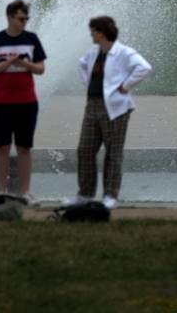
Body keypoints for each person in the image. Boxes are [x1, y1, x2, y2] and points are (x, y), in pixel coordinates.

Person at [65, 16, 151, 210]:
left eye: (93, 31)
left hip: (116, 108)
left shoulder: (124, 52)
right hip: (93, 105)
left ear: (101, 33)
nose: (91, 35)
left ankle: (110, 195)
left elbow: (144, 67)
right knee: (85, 150)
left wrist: (126, 85)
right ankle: (85, 194)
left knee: (113, 152)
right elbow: (82, 65)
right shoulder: (94, 52)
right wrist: (89, 85)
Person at [0, 0, 46, 198]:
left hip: (27, 100)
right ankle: (1, 191)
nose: (24, 22)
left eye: (26, 18)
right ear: (9, 17)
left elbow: (41, 69)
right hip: (0, 101)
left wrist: (25, 65)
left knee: (24, 147)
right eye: (20, 18)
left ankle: (26, 191)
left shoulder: (32, 39)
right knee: (2, 146)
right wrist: (7, 63)